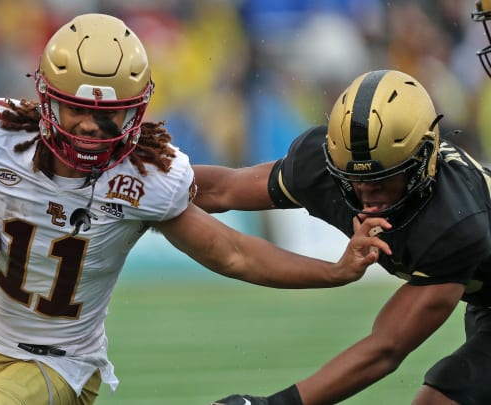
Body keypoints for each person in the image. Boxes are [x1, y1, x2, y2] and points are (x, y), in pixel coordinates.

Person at [0, 13, 390, 405]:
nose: (87, 126)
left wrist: (333, 271)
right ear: (45, 100)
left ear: (137, 111)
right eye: (75, 108)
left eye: (108, 116)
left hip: (57, 364)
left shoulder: (146, 179)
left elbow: (232, 253)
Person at [197, 69, 491, 404]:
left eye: (383, 178)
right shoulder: (323, 169)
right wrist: (141, 179)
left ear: (422, 163)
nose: (366, 191)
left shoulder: (456, 223)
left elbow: (387, 347)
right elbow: (220, 190)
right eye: (352, 178)